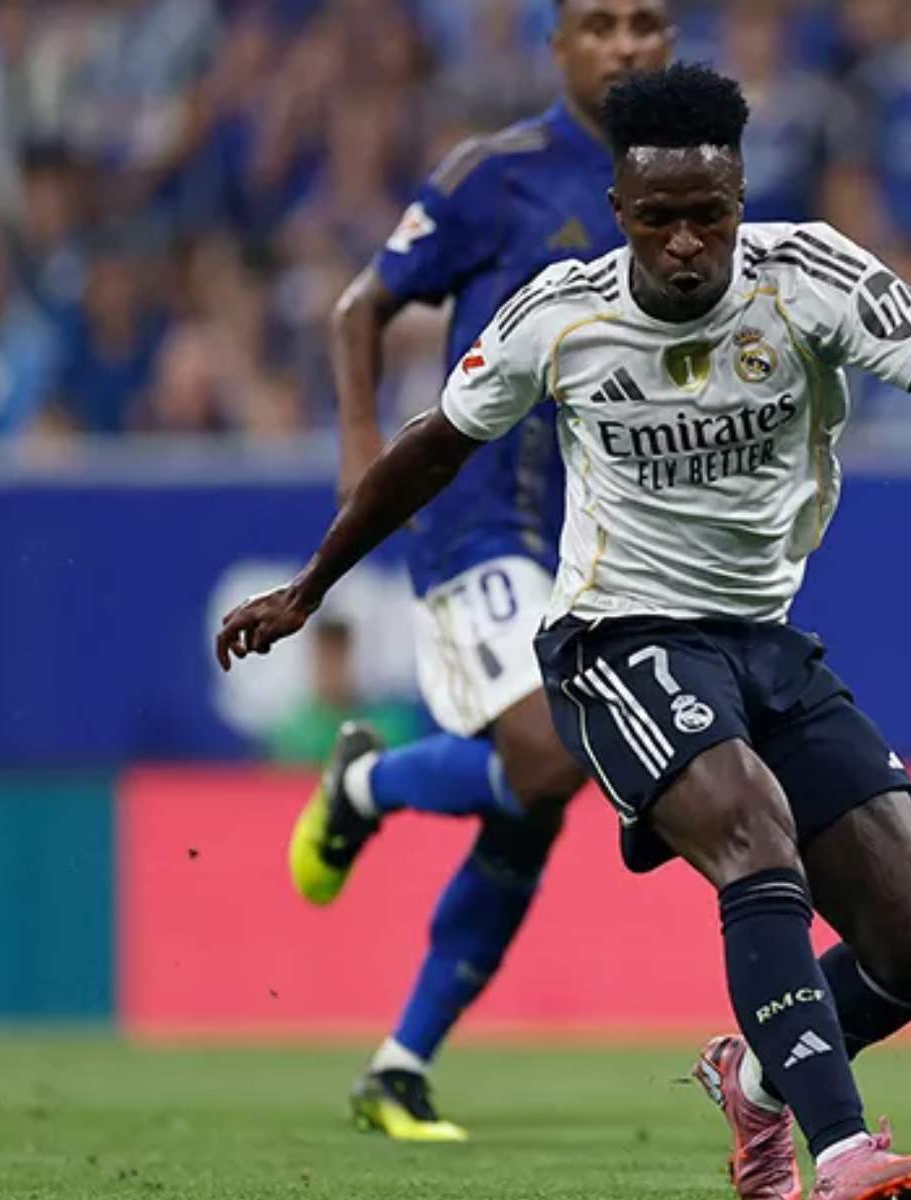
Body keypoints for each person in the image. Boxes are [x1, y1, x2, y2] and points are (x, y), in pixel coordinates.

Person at [217, 64, 911, 1200]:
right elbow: (433, 446)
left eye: (709, 216)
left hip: (763, 641)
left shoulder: (810, 276)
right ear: (619, 212)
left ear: (740, 201)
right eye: (658, 219)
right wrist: (309, 586)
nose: (686, 244)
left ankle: (755, 1080)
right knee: (753, 833)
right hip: (615, 639)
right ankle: (840, 1154)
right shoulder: (560, 314)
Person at [290, 0, 675, 1142]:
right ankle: (363, 786)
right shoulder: (494, 175)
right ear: (557, 47)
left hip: (603, 540)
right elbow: (361, 308)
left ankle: (399, 1066)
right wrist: (364, 456)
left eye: (645, 22)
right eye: (599, 24)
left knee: (530, 808)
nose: (624, 44)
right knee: (549, 758)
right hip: (480, 515)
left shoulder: (690, 181)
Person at [265, 618, 423, 767]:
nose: (331, 668)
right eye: (325, 657)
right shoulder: (292, 732)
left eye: (338, 656)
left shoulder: (390, 726)